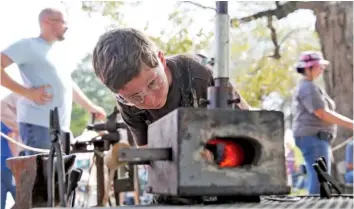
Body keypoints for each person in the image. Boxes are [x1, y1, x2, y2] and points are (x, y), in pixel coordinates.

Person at [91, 28, 252, 147]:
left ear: (161, 59)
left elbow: (250, 126)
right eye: (135, 97)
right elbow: (148, 155)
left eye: (153, 83)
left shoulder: (199, 72)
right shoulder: (126, 104)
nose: (150, 100)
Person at [0, 8, 106, 155]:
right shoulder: (28, 45)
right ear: (47, 22)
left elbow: (68, 85)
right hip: (38, 126)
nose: (66, 27)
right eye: (63, 22)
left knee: (64, 175)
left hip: (61, 127)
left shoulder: (57, 52)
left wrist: (90, 107)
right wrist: (28, 93)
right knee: (42, 176)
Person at [291, 51, 354, 194]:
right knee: (320, 179)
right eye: (318, 66)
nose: (322, 69)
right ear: (308, 68)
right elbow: (321, 113)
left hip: (315, 138)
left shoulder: (310, 87)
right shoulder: (308, 87)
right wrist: (351, 124)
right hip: (313, 138)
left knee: (319, 176)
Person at [0, 93, 21, 209]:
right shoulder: (4, 123)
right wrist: (16, 160)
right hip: (7, 165)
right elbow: (11, 140)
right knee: (21, 197)